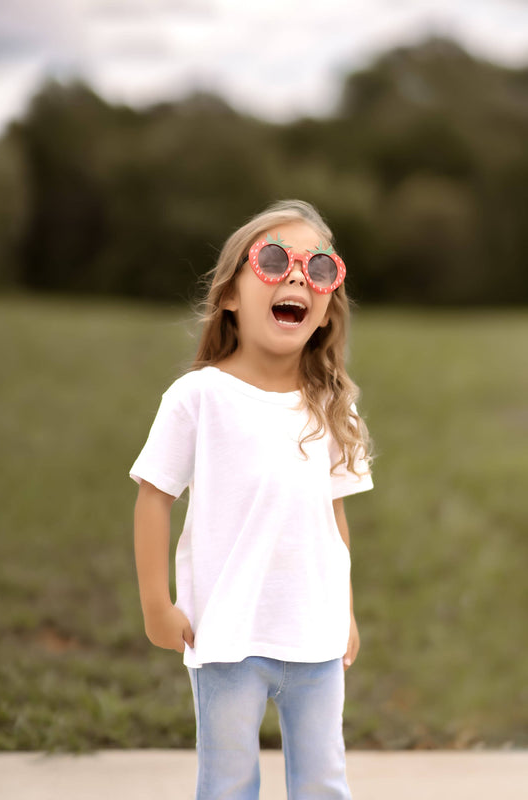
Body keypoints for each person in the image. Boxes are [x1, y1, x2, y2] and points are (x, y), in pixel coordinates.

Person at [130, 199, 373, 799]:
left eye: (317, 269)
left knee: (323, 783)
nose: (296, 276)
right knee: (228, 784)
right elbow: (153, 500)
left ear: (323, 310)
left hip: (315, 639)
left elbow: (332, 518)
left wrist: (345, 609)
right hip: (227, 637)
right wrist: (157, 607)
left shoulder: (332, 405)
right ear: (231, 296)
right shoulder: (198, 398)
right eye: (272, 260)